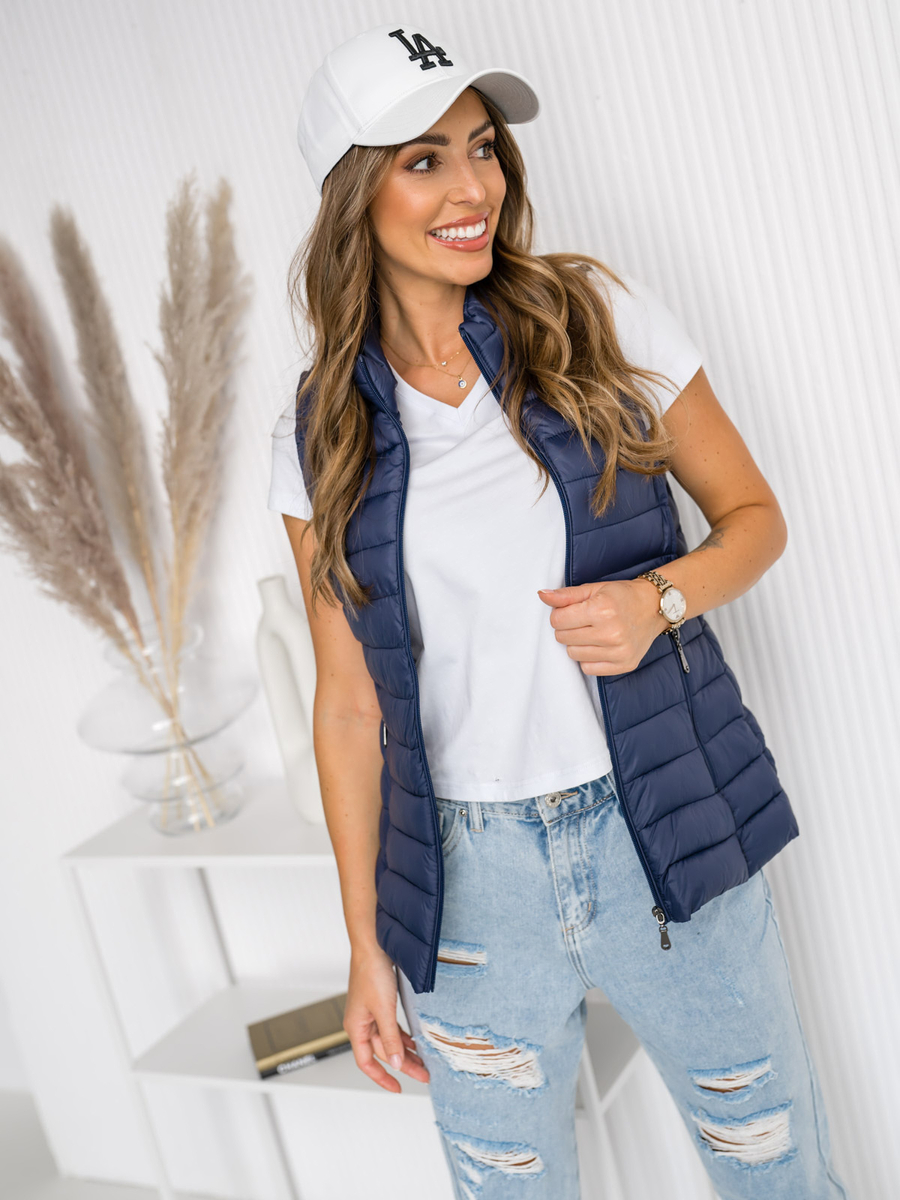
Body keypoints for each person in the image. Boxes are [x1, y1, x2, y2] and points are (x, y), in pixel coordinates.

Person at [268, 20, 850, 1200]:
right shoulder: (318, 428)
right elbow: (346, 707)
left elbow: (753, 518)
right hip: (468, 883)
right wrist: (367, 946)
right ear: (353, 195)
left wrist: (657, 601)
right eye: (424, 159)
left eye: (482, 147)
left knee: (777, 1175)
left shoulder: (596, 317)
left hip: (658, 831)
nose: (472, 187)